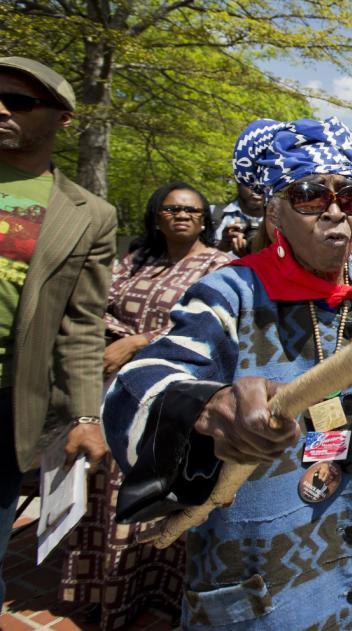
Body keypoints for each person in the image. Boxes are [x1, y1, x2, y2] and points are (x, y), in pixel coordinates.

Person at [102, 116, 352, 630]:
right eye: (308, 196)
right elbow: (140, 381)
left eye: (348, 196)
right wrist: (207, 409)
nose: (332, 210)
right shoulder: (232, 294)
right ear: (275, 212)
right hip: (270, 591)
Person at [59, 182, 231, 629]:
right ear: (157, 217)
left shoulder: (221, 268)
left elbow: (219, 332)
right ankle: (105, 587)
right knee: (107, 490)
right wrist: (118, 344)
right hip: (117, 391)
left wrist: (138, 342)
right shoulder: (135, 262)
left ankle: (161, 592)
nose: (182, 216)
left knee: (159, 488)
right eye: (172, 208)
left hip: (178, 399)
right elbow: (95, 308)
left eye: (192, 210)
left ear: (204, 219)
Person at [0, 57, 116, 605]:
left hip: (10, 399)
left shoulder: (88, 215)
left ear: (62, 119)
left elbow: (81, 324)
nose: (1, 109)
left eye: (19, 102)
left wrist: (86, 414)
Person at [213, 183, 264, 254]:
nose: (257, 190)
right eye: (250, 183)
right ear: (238, 186)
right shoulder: (210, 213)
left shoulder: (281, 221)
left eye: (264, 184)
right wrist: (221, 248)